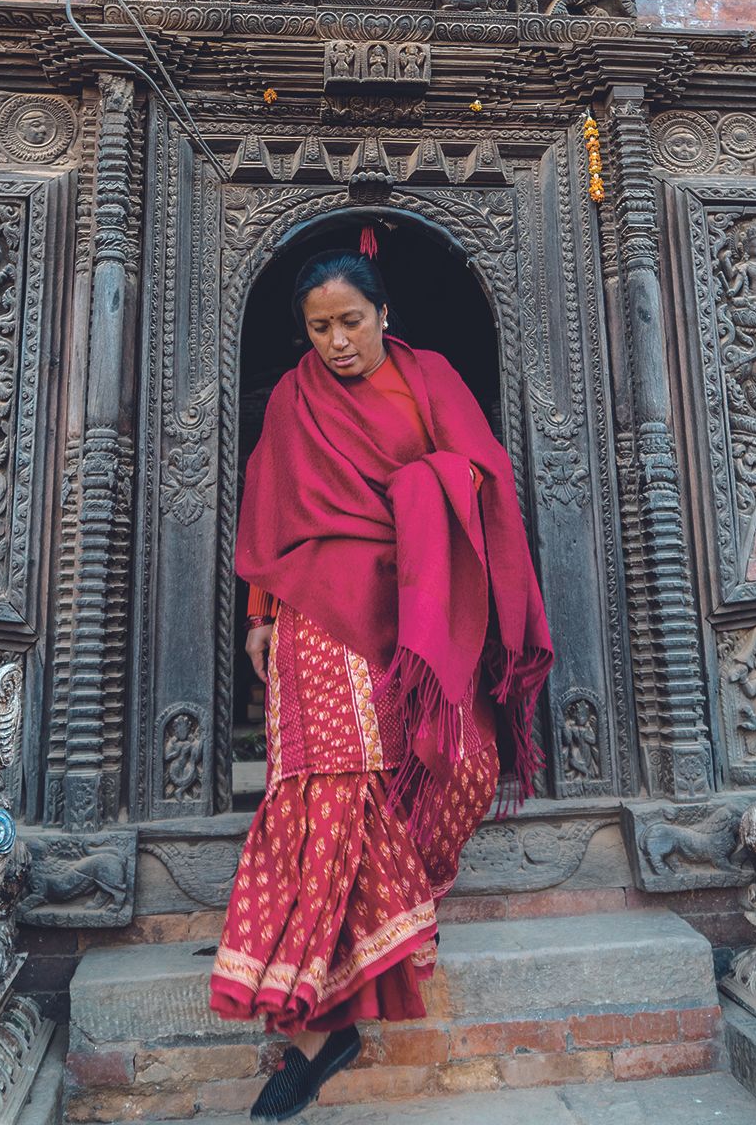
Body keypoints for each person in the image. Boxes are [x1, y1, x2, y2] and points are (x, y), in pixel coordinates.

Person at [209, 246, 553, 1120]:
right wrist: (258, 612)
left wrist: (420, 492)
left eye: (349, 322)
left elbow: (480, 478)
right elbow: (270, 508)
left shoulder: (430, 378)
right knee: (331, 784)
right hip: (313, 611)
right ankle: (319, 1025)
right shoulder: (291, 400)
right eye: (319, 328)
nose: (335, 342)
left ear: (384, 314)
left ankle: (351, 979)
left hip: (414, 603)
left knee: (461, 768)